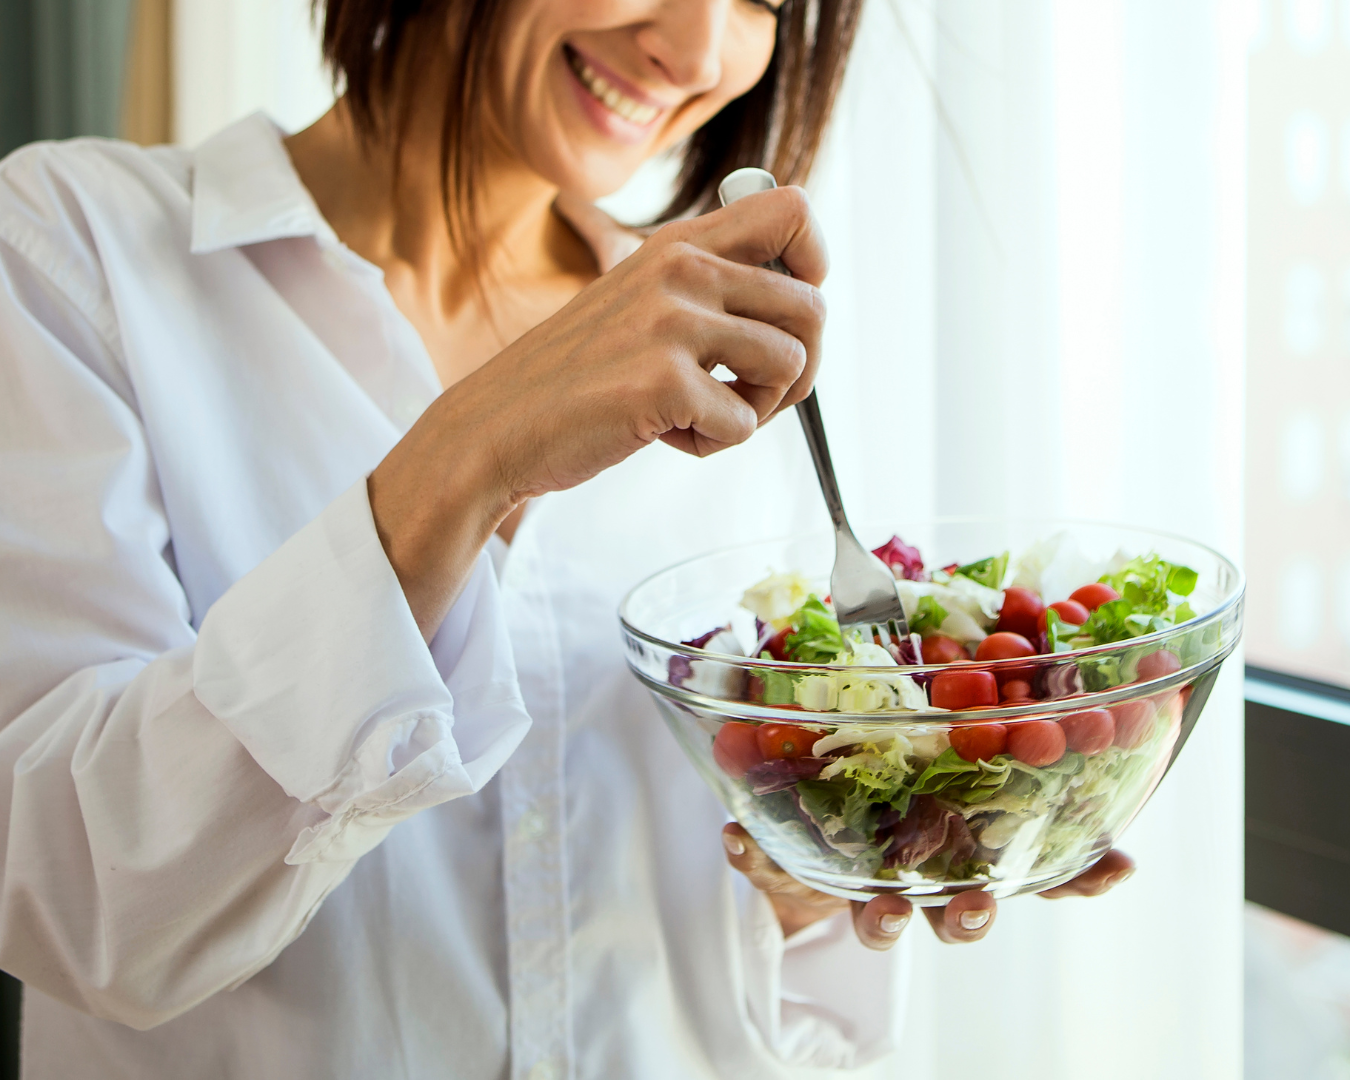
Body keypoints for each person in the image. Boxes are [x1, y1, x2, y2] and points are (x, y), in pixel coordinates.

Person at [0, 0, 1132, 1076]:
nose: (697, 49)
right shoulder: (72, 249)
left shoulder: (725, 344)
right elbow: (71, 898)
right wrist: (472, 450)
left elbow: (711, 953)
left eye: (764, 1)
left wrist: (820, 873)